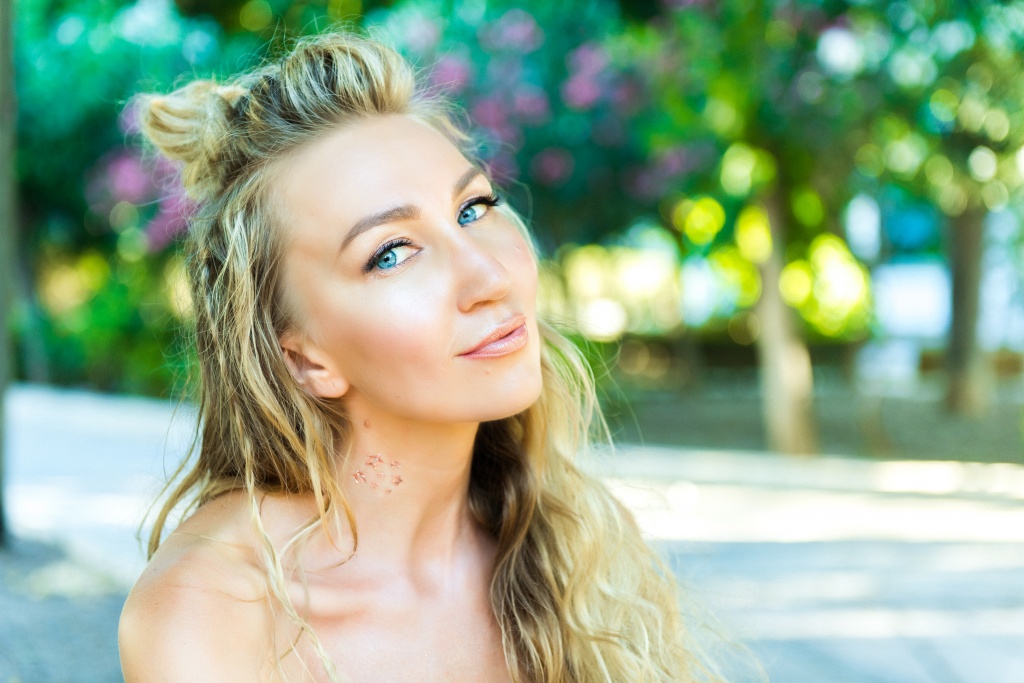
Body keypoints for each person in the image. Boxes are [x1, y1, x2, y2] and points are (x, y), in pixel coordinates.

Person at [118, 31, 715, 683]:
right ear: (304, 357)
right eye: (391, 253)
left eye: (474, 208)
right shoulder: (216, 612)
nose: (489, 275)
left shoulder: (573, 554)